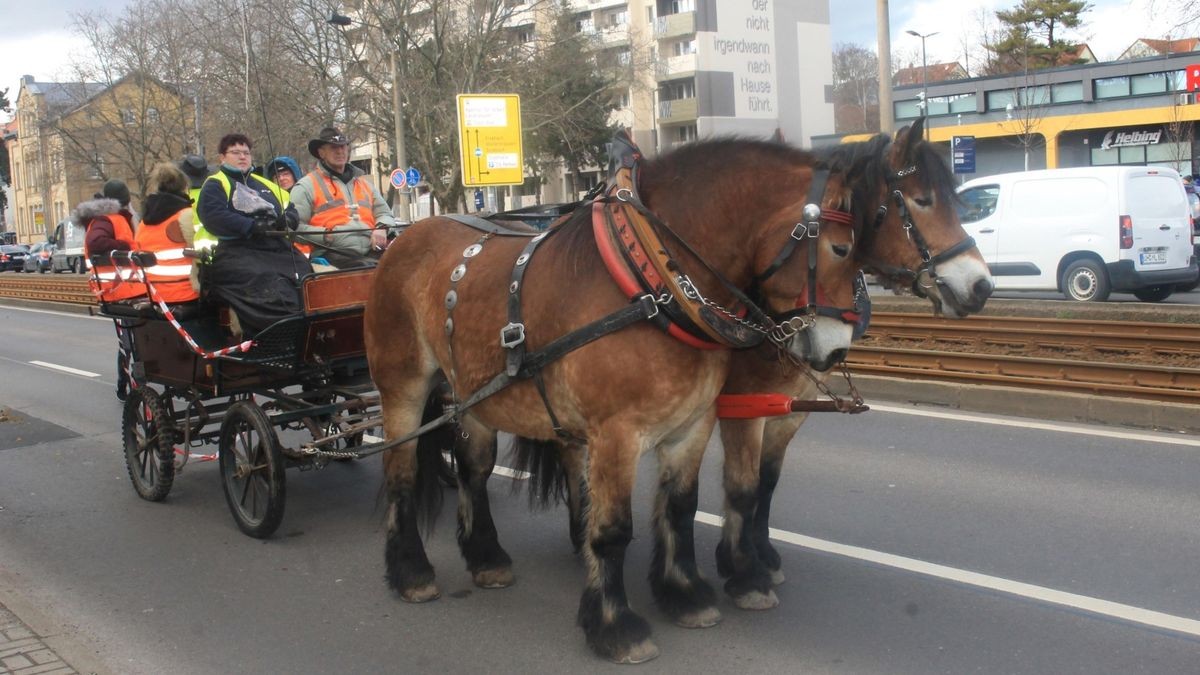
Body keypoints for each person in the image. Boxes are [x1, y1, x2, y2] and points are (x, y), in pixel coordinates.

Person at [196, 133, 312, 336]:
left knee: (305, 274)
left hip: (275, 248)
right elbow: (213, 215)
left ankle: (309, 329)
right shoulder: (215, 184)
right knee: (268, 284)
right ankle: (276, 336)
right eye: (235, 152)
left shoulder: (266, 184)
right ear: (222, 157)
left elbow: (289, 207)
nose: (242, 157)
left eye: (246, 153)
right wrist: (250, 225)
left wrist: (289, 219)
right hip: (236, 252)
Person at [74, 178, 145, 401]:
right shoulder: (107, 219)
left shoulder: (110, 217)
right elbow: (96, 243)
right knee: (127, 340)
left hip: (125, 288)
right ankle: (126, 386)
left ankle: (125, 385)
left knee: (128, 339)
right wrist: (125, 249)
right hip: (118, 290)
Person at [290, 126, 397, 268]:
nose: (340, 151)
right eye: (334, 148)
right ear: (321, 153)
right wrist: (325, 235)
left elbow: (384, 213)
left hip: (372, 251)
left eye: (343, 147)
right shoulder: (305, 186)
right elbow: (293, 228)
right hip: (331, 255)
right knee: (366, 270)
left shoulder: (365, 185)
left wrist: (382, 228)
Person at [135, 162, 199, 305]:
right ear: (184, 185)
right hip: (185, 291)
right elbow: (199, 249)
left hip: (155, 293)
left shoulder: (144, 221)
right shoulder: (185, 215)